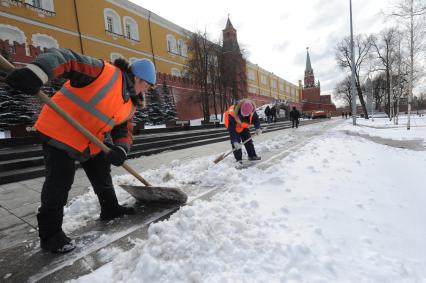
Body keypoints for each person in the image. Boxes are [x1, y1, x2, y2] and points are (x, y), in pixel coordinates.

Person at [5, 48, 156, 253]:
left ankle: (110, 209)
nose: (145, 90)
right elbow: (68, 59)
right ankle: (51, 236)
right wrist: (38, 72)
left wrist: (121, 148)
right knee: (59, 182)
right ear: (138, 78)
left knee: (102, 173)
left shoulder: (130, 104)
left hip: (90, 140)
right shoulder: (104, 72)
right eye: (146, 85)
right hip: (60, 131)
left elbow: (124, 129)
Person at [224, 99, 262, 164]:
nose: (244, 116)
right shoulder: (232, 113)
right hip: (234, 127)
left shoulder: (251, 109)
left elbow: (256, 119)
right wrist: (234, 141)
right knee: (237, 143)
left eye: (246, 115)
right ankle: (238, 160)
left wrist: (258, 128)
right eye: (243, 114)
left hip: (243, 126)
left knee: (248, 140)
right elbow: (232, 130)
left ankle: (252, 156)